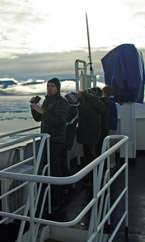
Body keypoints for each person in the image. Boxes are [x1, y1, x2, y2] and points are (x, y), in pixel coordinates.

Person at [30, 78, 69, 209]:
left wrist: (42, 111)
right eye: (48, 86)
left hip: (56, 140)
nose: (49, 88)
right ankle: (59, 192)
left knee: (55, 169)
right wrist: (34, 107)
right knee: (51, 168)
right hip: (46, 139)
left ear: (57, 88)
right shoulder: (47, 101)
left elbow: (59, 121)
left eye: (52, 86)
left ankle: (57, 200)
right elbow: (38, 119)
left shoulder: (62, 102)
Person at [76, 88, 105, 186]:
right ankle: (96, 176)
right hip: (95, 133)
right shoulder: (97, 104)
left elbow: (78, 110)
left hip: (86, 134)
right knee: (92, 155)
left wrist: (78, 100)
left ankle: (92, 179)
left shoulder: (85, 106)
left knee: (89, 157)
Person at [103, 85, 118, 168]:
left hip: (110, 127)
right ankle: (112, 162)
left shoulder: (109, 103)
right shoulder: (113, 102)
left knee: (110, 146)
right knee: (112, 146)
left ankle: (110, 163)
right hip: (113, 126)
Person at [93, 87, 110, 155]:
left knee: (98, 149)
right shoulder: (106, 102)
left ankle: (100, 164)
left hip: (100, 129)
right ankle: (104, 164)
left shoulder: (100, 104)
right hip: (104, 127)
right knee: (102, 148)